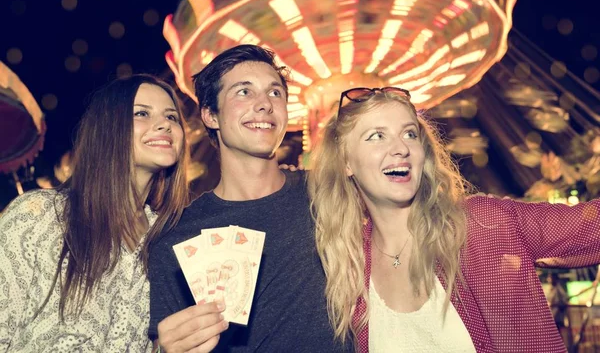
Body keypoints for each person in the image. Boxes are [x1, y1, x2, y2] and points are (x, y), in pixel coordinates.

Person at [307, 86, 600, 352]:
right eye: (377, 136)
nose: (401, 148)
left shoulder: (482, 224)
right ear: (346, 162)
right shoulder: (349, 266)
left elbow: (591, 226)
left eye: (409, 133)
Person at [148, 45, 349, 352]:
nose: (265, 104)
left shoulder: (330, 193)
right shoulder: (177, 237)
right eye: (244, 92)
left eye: (275, 93)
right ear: (210, 115)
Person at [0, 74, 189, 352]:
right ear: (107, 129)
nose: (164, 124)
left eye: (172, 117)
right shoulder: (39, 216)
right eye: (141, 113)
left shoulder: (166, 242)